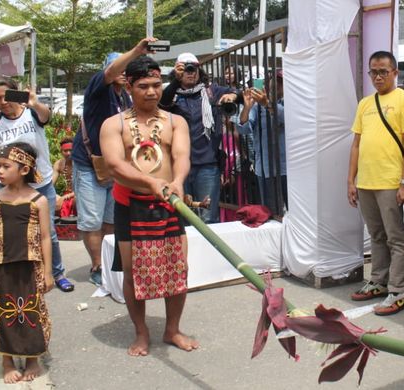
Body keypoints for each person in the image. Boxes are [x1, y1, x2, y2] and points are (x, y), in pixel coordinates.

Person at [100, 56, 198, 356]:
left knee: (178, 268)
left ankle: (172, 329)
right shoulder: (113, 124)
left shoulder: (175, 121)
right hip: (130, 204)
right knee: (132, 272)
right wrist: (150, 183)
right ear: (129, 86)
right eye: (143, 86)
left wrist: (178, 181)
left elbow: (181, 156)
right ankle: (141, 332)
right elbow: (115, 165)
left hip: (169, 203)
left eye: (157, 85)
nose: (152, 92)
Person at [73, 39, 155, 287]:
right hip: (90, 164)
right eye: (118, 67)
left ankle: (110, 265)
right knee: (91, 220)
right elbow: (110, 72)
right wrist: (136, 51)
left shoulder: (127, 99)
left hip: (116, 168)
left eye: (125, 70)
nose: (120, 72)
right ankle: (97, 265)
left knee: (111, 218)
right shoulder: (99, 87)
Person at [0, 78, 74, 293]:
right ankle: (17, 274)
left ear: (16, 93)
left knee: (48, 232)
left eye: (6, 96)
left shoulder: (31, 113)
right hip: (9, 189)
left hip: (40, 185)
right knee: (10, 232)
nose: (3, 102)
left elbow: (46, 116)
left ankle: (56, 272)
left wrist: (33, 102)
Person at [348, 51, 404, 316]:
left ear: (395, 73)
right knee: (376, 236)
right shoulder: (365, 104)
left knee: (395, 238)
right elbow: (356, 144)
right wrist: (350, 180)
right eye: (373, 72)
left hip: (390, 182)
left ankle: (399, 290)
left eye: (383, 72)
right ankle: (378, 281)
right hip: (366, 181)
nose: (378, 77)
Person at [0, 142, 53, 383]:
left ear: (24, 170)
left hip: (30, 266)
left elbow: (45, 237)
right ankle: (7, 360)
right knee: (3, 314)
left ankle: (32, 357)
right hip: (2, 266)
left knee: (31, 312)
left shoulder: (38, 201)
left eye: (5, 166)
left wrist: (48, 272)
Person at [160, 52, 239, 224]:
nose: (190, 72)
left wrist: (232, 96)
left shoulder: (211, 92)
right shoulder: (172, 93)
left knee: (208, 217)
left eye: (193, 68)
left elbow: (237, 93)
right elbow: (162, 104)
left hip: (207, 165)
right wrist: (175, 81)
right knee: (183, 216)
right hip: (179, 167)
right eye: (185, 68)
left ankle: (210, 251)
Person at [237, 69, 287, 215]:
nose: (276, 85)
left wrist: (267, 104)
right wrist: (246, 108)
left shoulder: (290, 102)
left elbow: (286, 118)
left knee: (292, 212)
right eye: (274, 81)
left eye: (280, 82)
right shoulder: (257, 106)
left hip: (288, 169)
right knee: (271, 212)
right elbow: (243, 129)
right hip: (265, 168)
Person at [52, 137, 76, 218]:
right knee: (49, 199)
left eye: (71, 150)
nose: (68, 153)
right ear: (61, 152)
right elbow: (50, 185)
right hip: (66, 195)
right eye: (65, 151)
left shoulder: (80, 163)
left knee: (76, 200)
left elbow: (83, 188)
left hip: (79, 194)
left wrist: (64, 198)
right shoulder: (58, 164)